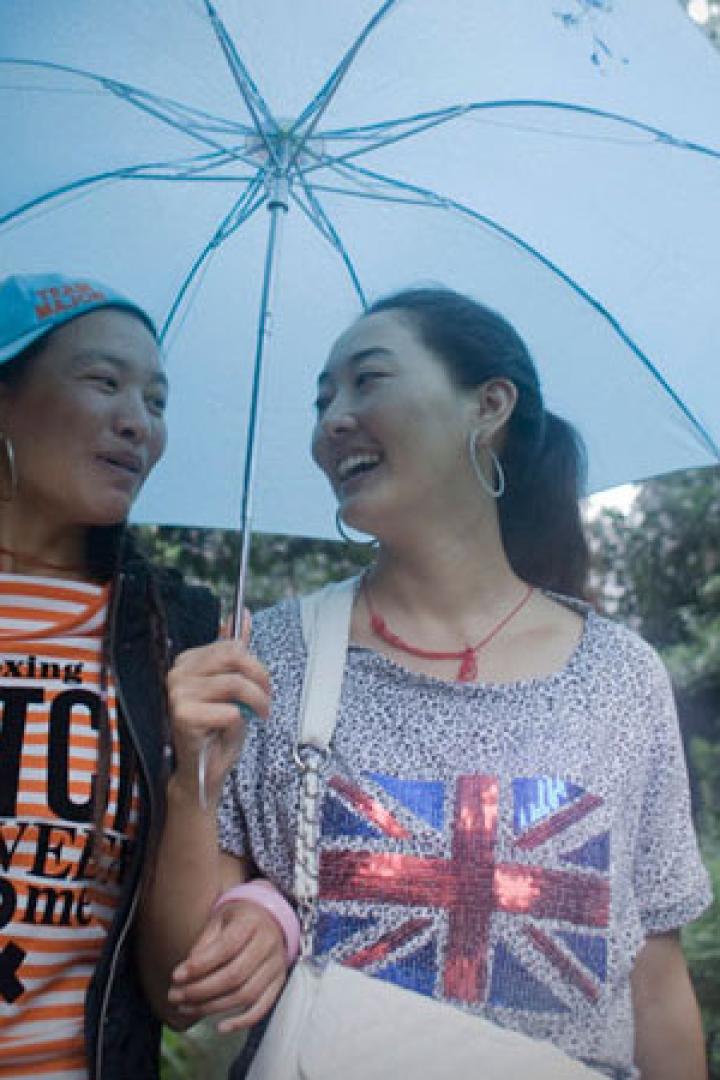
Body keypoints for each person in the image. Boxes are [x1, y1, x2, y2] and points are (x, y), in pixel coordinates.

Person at [160, 287, 712, 1079]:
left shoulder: (622, 677)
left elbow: (654, 983)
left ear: (488, 406)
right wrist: (196, 789)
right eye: (322, 400)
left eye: (367, 380)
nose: (331, 422)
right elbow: (182, 989)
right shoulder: (270, 656)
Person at [0, 272, 287, 1080]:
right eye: (104, 382)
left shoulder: (180, 636)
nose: (139, 425)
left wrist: (195, 780)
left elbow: (174, 993)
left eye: (157, 401)